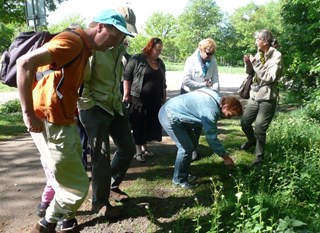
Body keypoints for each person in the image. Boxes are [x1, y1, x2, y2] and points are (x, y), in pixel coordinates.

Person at [16, 9, 134, 233]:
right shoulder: (72, 42)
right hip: (51, 120)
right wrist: (28, 113)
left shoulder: (84, 48)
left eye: (118, 42)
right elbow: (24, 63)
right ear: (99, 27)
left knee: (69, 177)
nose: (112, 45)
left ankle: (56, 222)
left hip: (64, 119)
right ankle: (46, 224)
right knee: (77, 185)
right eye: (112, 39)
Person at [78, 6, 138, 216]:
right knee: (100, 156)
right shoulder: (93, 45)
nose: (123, 37)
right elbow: (82, 82)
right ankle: (100, 202)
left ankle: (111, 185)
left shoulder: (119, 46)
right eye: (121, 32)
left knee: (128, 147)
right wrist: (89, 106)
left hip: (114, 104)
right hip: (94, 107)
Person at [158, 88, 243, 189]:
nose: (228, 118)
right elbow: (211, 138)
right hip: (170, 115)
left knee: (192, 145)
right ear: (225, 107)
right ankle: (179, 180)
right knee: (186, 149)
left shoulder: (215, 97)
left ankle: (183, 173)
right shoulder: (211, 111)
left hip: (179, 114)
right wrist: (225, 157)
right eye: (229, 115)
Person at [240, 29, 283, 165]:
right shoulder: (259, 54)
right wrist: (248, 63)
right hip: (254, 95)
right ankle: (251, 141)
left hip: (267, 97)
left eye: (258, 39)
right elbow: (251, 73)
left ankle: (259, 156)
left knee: (260, 129)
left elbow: (270, 77)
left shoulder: (276, 56)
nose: (256, 42)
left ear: (265, 41)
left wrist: (256, 63)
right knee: (245, 123)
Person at [123, 38, 167, 162]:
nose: (158, 52)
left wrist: (164, 98)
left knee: (149, 126)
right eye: (157, 50)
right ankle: (138, 152)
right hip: (138, 99)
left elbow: (163, 83)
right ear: (150, 47)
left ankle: (144, 148)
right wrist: (126, 94)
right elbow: (127, 76)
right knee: (139, 125)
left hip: (155, 101)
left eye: (160, 50)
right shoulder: (137, 59)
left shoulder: (160, 63)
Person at [180, 38, 220, 161]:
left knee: (199, 123)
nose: (210, 56)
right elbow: (186, 81)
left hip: (204, 95)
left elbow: (215, 78)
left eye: (212, 54)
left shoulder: (212, 60)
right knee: (188, 123)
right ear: (200, 49)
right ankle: (186, 147)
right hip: (189, 94)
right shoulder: (191, 60)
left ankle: (194, 148)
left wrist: (215, 92)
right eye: (208, 53)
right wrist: (203, 84)